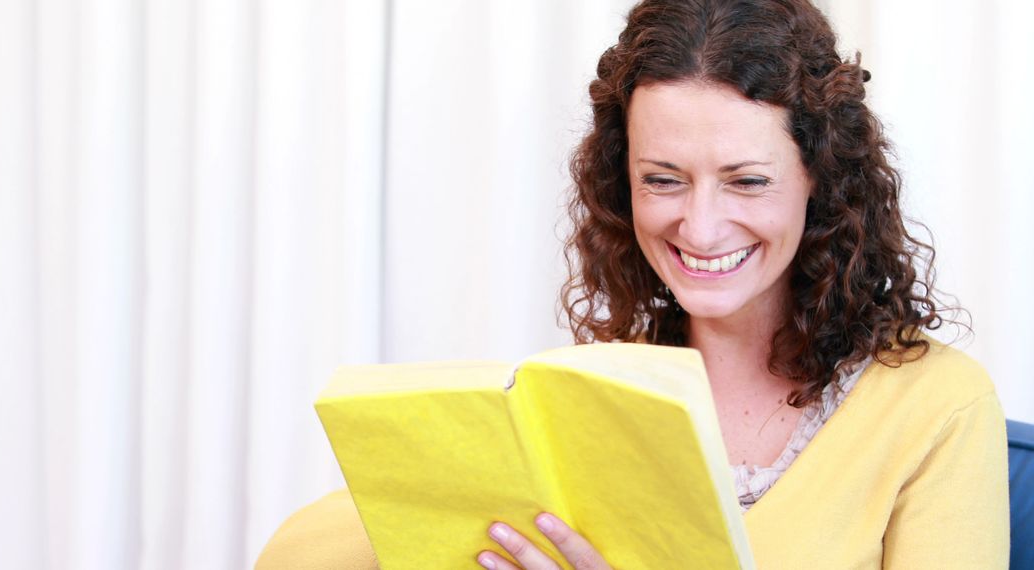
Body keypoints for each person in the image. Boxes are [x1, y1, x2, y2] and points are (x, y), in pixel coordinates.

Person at [258, 0, 1010, 568]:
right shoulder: (591, 392)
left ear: (822, 178)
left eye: (747, 181)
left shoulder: (935, 405)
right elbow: (288, 556)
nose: (701, 227)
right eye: (663, 179)